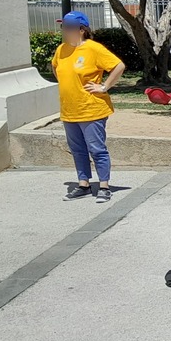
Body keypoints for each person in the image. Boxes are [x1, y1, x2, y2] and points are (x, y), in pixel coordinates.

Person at [51, 11, 126, 203]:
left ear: (81, 30)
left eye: (68, 27)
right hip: (69, 110)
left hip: (91, 109)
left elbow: (118, 66)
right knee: (77, 150)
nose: (64, 31)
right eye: (63, 27)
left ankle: (104, 186)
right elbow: (55, 67)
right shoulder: (61, 50)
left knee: (97, 149)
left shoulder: (93, 48)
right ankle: (83, 184)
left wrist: (104, 86)